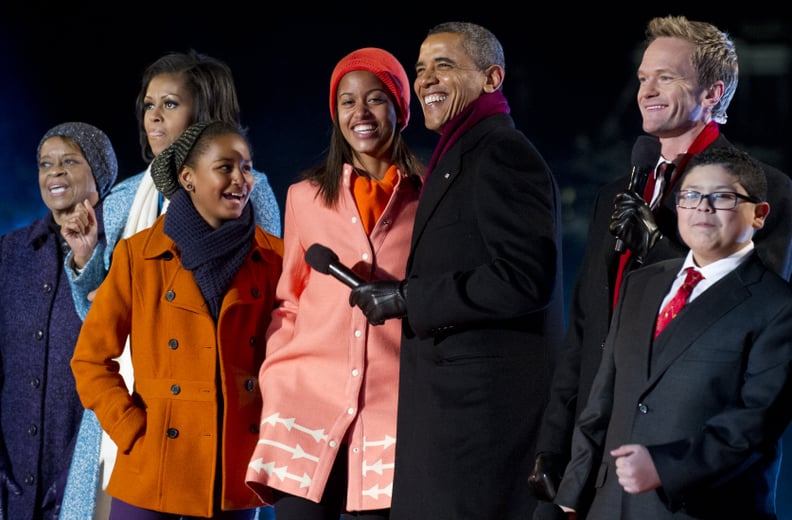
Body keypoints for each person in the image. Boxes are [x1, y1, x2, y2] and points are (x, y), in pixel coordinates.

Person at [528, 15, 792, 512]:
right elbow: (586, 333)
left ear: (712, 92)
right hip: (595, 460)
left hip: (690, 469)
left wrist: (662, 252)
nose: (646, 90)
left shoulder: (764, 190)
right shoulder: (616, 194)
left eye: (665, 77)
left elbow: (753, 316)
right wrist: (554, 440)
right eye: (643, 78)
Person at [348, 22, 564, 519]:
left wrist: (409, 298)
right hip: (452, 417)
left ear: (492, 79)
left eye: (444, 65)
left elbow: (527, 278)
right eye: (421, 68)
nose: (425, 79)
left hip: (484, 426)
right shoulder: (457, 155)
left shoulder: (503, 154)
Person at [60, 49, 282, 519]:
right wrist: (132, 427)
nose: (153, 117)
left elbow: (269, 316)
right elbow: (95, 332)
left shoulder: (253, 194)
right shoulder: (125, 202)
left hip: (226, 437)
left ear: (203, 114)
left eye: (169, 104)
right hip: (146, 417)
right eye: (148, 105)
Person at [539, 146, 792, 519]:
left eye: (722, 196)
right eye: (690, 196)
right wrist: (571, 493)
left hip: (704, 507)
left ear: (758, 214)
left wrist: (665, 466)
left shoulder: (776, 304)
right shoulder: (642, 284)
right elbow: (601, 401)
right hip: (610, 506)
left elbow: (755, 423)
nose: (701, 207)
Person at [244, 47, 422, 519]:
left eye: (375, 99)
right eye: (347, 101)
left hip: (392, 416)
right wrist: (277, 376)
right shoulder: (304, 198)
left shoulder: (429, 197)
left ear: (401, 109)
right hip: (305, 408)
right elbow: (290, 302)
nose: (359, 113)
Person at [0, 122, 117, 520]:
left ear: (98, 172)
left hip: (86, 476)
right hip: (11, 481)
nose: (55, 172)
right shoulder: (11, 251)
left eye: (69, 161)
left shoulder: (121, 248)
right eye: (45, 164)